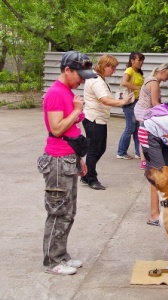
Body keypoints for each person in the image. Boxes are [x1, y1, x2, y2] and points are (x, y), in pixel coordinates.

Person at [37, 50, 96, 275]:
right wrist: (78, 110)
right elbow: (57, 128)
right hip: (58, 161)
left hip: (68, 158)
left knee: (68, 212)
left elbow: (72, 130)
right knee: (58, 212)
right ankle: (52, 261)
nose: (82, 79)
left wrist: (79, 159)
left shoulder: (67, 91)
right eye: (79, 74)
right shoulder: (55, 93)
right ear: (67, 70)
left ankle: (62, 255)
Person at [80, 55, 134, 190]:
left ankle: (86, 174)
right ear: (105, 66)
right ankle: (91, 178)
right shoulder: (96, 80)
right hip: (94, 119)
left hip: (98, 118)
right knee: (94, 149)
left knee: (100, 148)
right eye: (113, 68)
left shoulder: (99, 78)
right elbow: (104, 99)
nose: (114, 71)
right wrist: (122, 102)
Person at [134, 63, 168, 169]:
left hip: (141, 110)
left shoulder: (150, 79)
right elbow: (155, 102)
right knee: (145, 136)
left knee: (143, 134)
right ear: (162, 72)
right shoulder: (154, 83)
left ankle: (144, 160)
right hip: (144, 111)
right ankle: (144, 160)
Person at [117, 52, 145, 160]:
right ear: (132, 61)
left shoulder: (139, 72)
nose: (141, 62)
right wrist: (139, 89)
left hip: (137, 102)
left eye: (142, 60)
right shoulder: (129, 70)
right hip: (130, 102)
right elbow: (124, 82)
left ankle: (139, 152)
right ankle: (121, 152)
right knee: (130, 128)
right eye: (139, 60)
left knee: (137, 128)